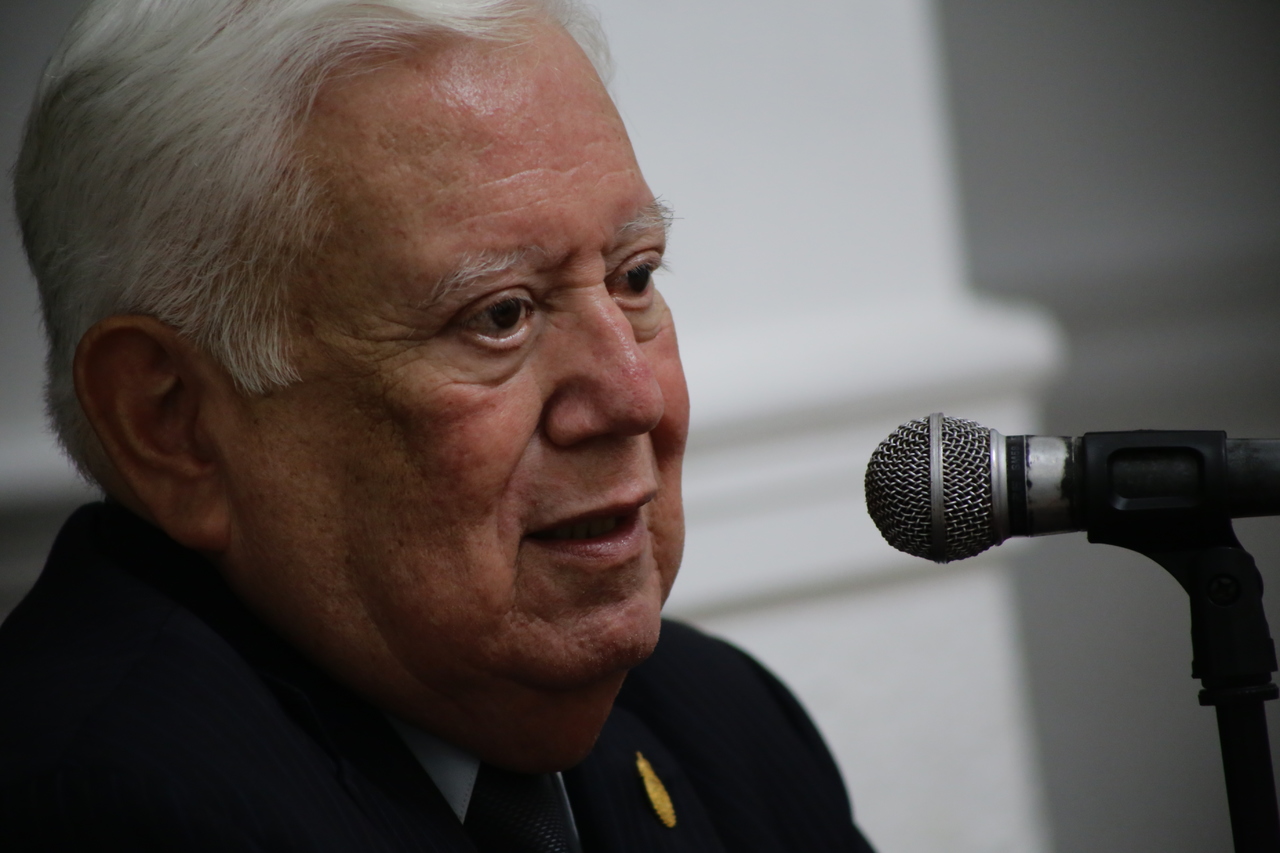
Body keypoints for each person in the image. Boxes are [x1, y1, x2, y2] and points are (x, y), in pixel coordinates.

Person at [0, 0, 877, 850]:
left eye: (635, 277)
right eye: (500, 315)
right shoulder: (111, 807)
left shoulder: (723, 721)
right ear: (172, 423)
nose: (634, 395)